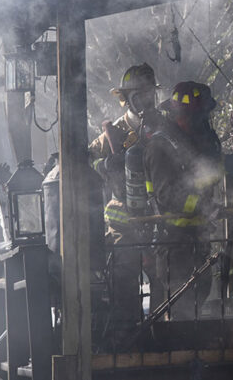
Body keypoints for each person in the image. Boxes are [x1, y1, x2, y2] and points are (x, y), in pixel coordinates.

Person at [88, 62, 163, 336]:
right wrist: (104, 165)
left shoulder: (165, 126)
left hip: (161, 217)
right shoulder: (114, 132)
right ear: (127, 98)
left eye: (149, 93)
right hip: (123, 223)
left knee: (164, 280)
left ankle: (162, 332)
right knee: (123, 281)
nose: (146, 100)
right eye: (139, 95)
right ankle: (129, 335)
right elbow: (86, 159)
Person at [143, 81, 223, 320]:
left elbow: (208, 179)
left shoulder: (194, 145)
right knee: (182, 312)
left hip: (197, 240)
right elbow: (166, 194)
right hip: (174, 244)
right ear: (186, 116)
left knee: (199, 299)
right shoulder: (161, 146)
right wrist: (203, 206)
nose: (206, 123)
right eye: (202, 116)